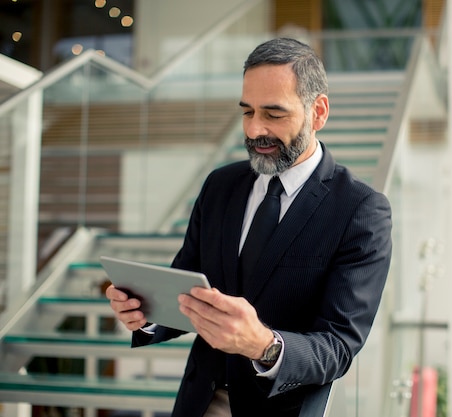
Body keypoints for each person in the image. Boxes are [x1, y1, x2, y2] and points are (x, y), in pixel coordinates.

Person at [105, 37, 392, 417]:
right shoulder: (220, 186)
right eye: (247, 111)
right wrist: (146, 315)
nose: (255, 129)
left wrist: (263, 344)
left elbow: (338, 347)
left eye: (273, 114)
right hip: (198, 403)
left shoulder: (360, 210)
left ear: (318, 112)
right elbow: (187, 286)